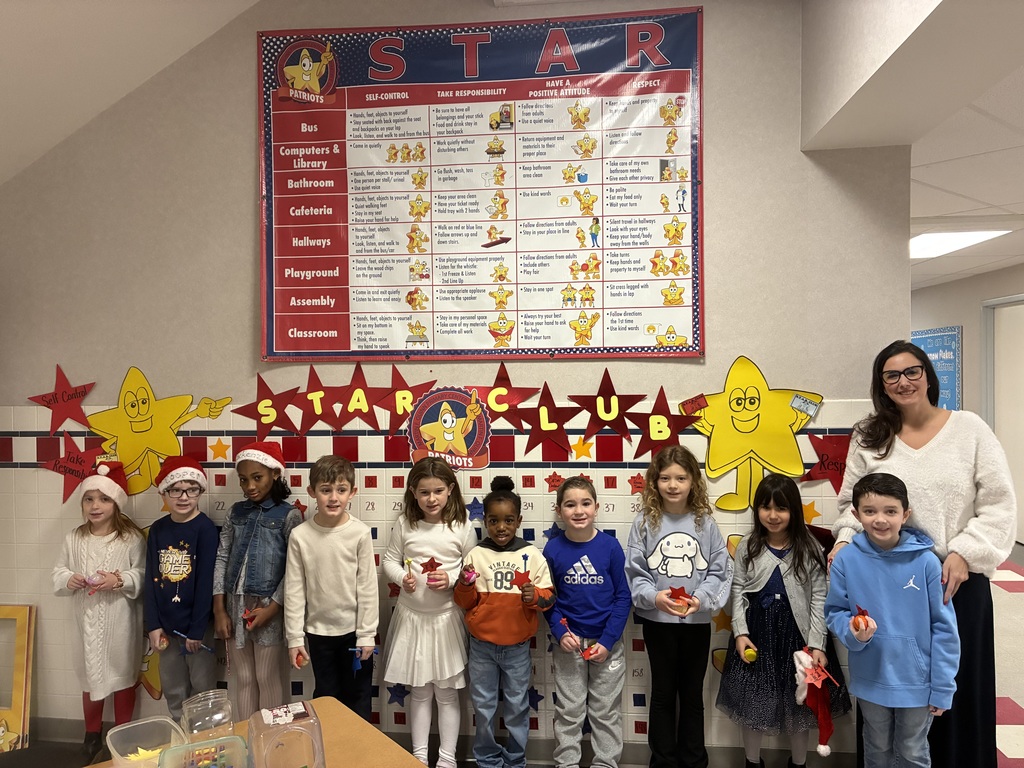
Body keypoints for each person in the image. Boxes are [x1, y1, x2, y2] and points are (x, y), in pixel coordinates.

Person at [830, 340, 1016, 768]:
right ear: (881, 384)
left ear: (928, 375)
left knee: (952, 690)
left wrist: (965, 552)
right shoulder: (869, 434)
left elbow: (999, 504)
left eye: (912, 371)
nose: (903, 382)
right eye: (891, 375)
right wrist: (843, 540)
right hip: (884, 585)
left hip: (954, 582)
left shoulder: (969, 429)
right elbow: (850, 506)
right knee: (886, 701)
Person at [716, 474, 850, 768]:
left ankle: (799, 763)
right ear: (757, 510)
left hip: (797, 638)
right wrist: (740, 633)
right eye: (766, 507)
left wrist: (816, 644)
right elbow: (737, 590)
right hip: (756, 637)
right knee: (753, 702)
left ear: (794, 511)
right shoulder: (749, 546)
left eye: (782, 508)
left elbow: (818, 598)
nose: (773, 515)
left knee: (798, 706)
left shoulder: (809, 548)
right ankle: (752, 761)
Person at [826, 473, 960, 768]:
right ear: (855, 514)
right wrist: (853, 633)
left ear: (905, 514)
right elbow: (835, 612)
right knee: (876, 748)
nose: (880, 520)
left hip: (917, 681)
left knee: (912, 750)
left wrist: (942, 685)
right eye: (870, 511)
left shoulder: (926, 562)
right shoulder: (846, 560)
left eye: (890, 511)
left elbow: (944, 628)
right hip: (870, 678)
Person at [625, 445, 733, 768]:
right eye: (665, 478)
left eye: (681, 478)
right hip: (658, 624)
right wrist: (654, 597)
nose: (673, 485)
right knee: (661, 696)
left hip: (696, 624)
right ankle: (662, 762)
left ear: (693, 482)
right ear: (654, 482)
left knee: (691, 697)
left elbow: (718, 570)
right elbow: (636, 570)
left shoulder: (705, 523)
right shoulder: (645, 522)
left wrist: (700, 600)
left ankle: (694, 761)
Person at [381, 457, 476, 768]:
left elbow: (472, 569)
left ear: (450, 490)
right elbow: (390, 562)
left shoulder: (461, 526)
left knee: (447, 693)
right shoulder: (405, 523)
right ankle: (419, 756)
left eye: (437, 491)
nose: (431, 499)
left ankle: (447, 758)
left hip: (447, 619)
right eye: (424, 492)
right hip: (411, 619)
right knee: (419, 692)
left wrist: (451, 579)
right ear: (412, 491)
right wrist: (401, 579)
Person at [454, 476, 554, 768]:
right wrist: (464, 584)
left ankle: (515, 759)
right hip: (481, 647)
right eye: (494, 521)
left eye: (508, 520)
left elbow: (549, 598)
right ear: (485, 520)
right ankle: (486, 759)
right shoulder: (475, 554)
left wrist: (533, 596)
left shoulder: (531, 555)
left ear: (519, 521)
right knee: (483, 708)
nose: (501, 527)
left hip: (517, 649)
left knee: (516, 708)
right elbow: (464, 603)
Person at [52, 461, 145, 765]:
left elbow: (142, 575)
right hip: (85, 622)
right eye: (89, 499)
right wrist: (70, 578)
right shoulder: (74, 538)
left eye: (104, 499)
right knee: (89, 676)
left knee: (122, 674)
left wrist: (118, 580)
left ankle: (123, 734)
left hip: (120, 621)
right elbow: (59, 571)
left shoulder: (129, 538)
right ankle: (91, 735)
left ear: (116, 502)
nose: (95, 506)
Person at [543, 476, 632, 768]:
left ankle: (606, 763)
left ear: (597, 507)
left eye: (585, 503)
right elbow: (548, 599)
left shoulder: (610, 547)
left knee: (605, 711)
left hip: (607, 646)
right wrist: (558, 630)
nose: (578, 510)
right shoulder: (553, 550)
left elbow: (623, 598)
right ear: (559, 511)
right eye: (570, 504)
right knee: (568, 711)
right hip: (569, 643)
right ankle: (566, 764)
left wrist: (607, 641)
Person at [284, 455, 378, 721]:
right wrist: (294, 638)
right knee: (326, 699)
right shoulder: (300, 536)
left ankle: (359, 755)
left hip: (355, 635)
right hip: (319, 634)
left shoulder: (359, 533)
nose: (333, 497)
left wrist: (367, 634)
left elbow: (368, 588)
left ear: (353, 492)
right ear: (312, 492)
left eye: (341, 490)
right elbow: (293, 591)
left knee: (358, 697)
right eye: (326, 490)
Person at [213, 441, 302, 719]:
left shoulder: (290, 515)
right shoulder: (235, 512)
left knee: (267, 676)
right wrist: (219, 609)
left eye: (257, 477)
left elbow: (295, 570)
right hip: (235, 604)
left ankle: (273, 743)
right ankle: (248, 741)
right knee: (245, 678)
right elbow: (222, 557)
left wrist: (272, 609)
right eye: (243, 479)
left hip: (269, 605)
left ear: (275, 474)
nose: (250, 486)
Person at [144, 456, 219, 722]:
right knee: (174, 687)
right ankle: (180, 736)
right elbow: (150, 578)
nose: (184, 496)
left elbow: (205, 583)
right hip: (165, 628)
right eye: (175, 489)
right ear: (164, 492)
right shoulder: (158, 529)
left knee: (202, 686)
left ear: (200, 491)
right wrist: (153, 625)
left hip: (197, 629)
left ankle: (207, 740)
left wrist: (197, 629)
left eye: (191, 489)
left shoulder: (206, 529)